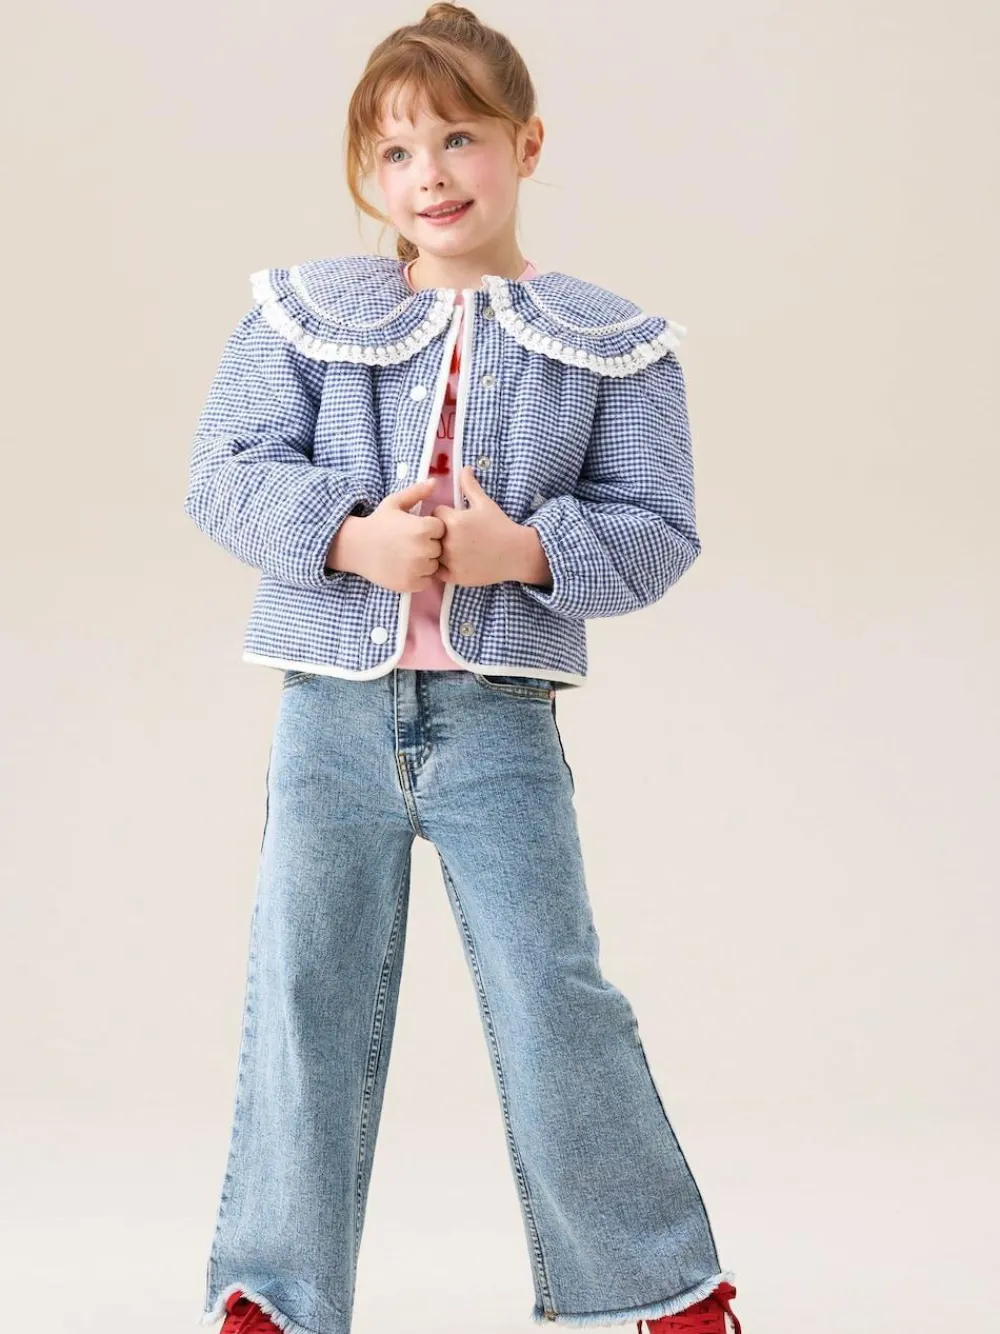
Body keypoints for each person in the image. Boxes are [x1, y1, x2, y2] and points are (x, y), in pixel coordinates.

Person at [185, 6, 742, 1334]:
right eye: (394, 153)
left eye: (458, 139)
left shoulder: (608, 342)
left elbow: (658, 530)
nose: (428, 175)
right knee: (304, 992)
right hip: (330, 716)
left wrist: (525, 551)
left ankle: (662, 1287)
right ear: (366, 176)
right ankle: (274, 1292)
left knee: (553, 992)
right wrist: (348, 537)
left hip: (498, 721)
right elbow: (224, 474)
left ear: (526, 146)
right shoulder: (305, 318)